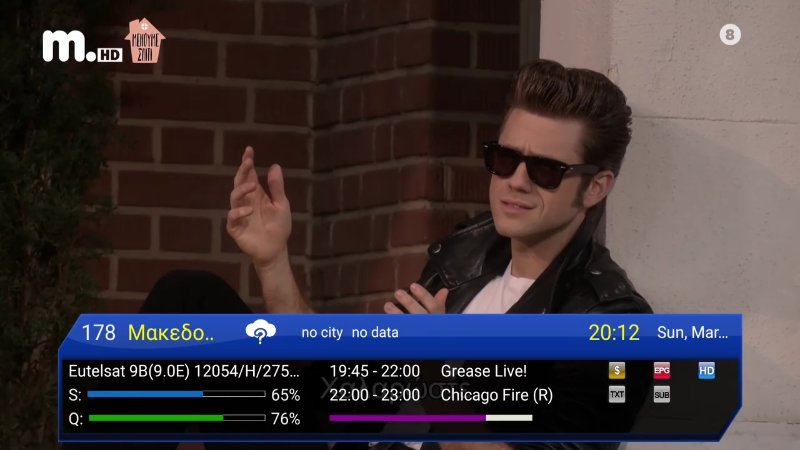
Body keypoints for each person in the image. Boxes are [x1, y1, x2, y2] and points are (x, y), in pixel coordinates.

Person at [74, 59, 652, 450]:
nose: (516, 181)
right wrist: (273, 261)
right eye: (505, 159)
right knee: (190, 298)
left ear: (595, 187)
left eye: (545, 170)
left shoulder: (607, 321)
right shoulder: (466, 257)